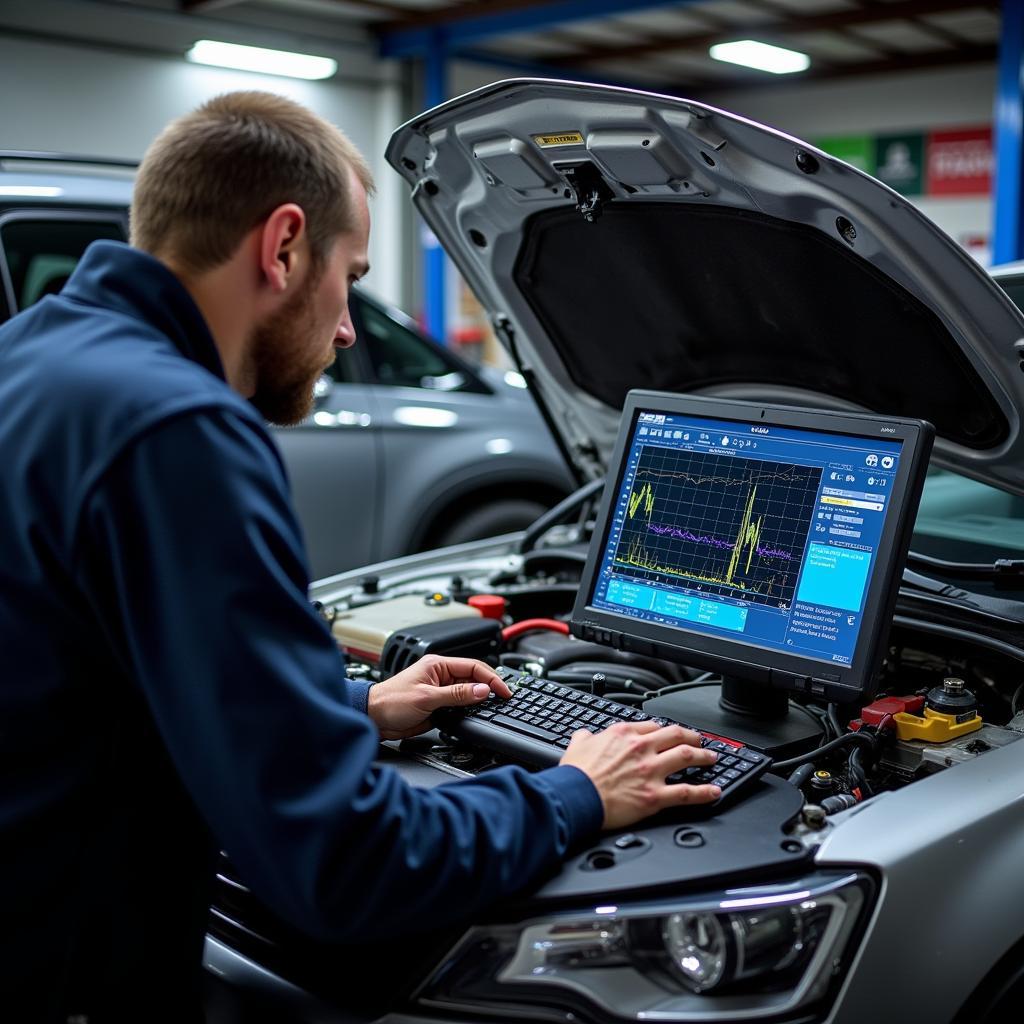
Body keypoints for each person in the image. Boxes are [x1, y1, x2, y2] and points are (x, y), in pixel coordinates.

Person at [0, 91, 720, 1021]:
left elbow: (95, 673)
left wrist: (349, 706)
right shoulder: (179, 433)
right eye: (352, 276)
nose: (347, 330)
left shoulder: (33, 354)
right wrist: (577, 791)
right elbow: (344, 864)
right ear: (284, 247)